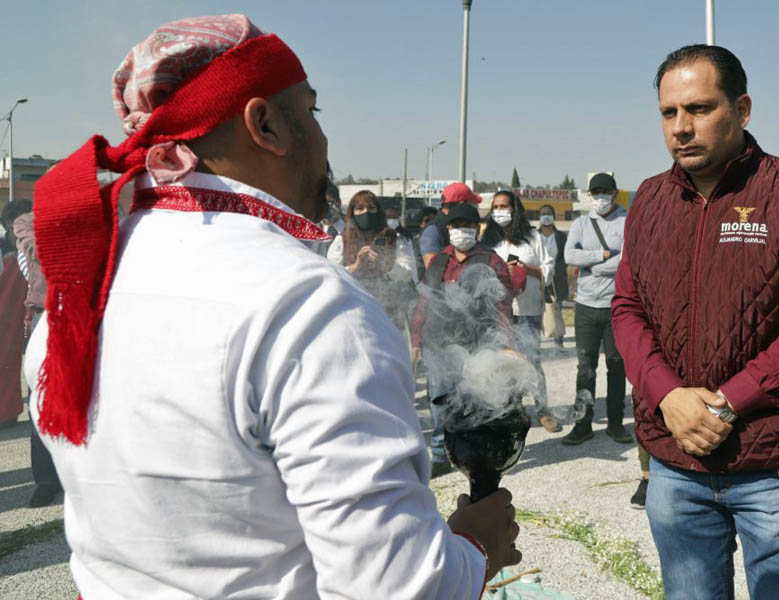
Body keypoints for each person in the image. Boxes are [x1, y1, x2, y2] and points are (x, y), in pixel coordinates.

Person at [25, 15, 520, 599]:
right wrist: (473, 544)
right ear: (264, 123)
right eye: (311, 113)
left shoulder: (88, 280)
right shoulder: (311, 307)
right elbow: (393, 587)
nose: (324, 139)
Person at [612, 44, 779, 599]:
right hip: (675, 465)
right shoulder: (648, 199)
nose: (681, 128)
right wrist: (668, 396)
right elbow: (628, 308)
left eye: (699, 108)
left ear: (742, 110)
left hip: (776, 469)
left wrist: (725, 401)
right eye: (669, 113)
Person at [411, 201, 524, 477]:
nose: (462, 231)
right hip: (439, 343)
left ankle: (472, 453)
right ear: (448, 229)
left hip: (477, 345)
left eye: (468, 226)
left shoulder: (491, 261)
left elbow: (502, 306)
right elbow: (425, 301)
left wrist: (508, 344)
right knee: (440, 401)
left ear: (478, 228)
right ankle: (440, 454)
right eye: (456, 226)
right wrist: (416, 340)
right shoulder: (439, 260)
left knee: (475, 400)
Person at [561, 173, 631, 445]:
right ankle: (583, 423)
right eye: (595, 192)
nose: (600, 197)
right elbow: (569, 256)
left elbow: (627, 260)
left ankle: (616, 423)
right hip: (586, 306)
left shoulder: (626, 222)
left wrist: (591, 266)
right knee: (585, 367)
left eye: (605, 192)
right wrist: (601, 257)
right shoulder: (581, 223)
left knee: (616, 365)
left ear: (614, 193)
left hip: (616, 305)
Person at [482, 191, 558, 433]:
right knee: (504, 361)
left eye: (504, 206)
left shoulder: (533, 237)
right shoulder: (488, 240)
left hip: (527, 307)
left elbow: (549, 267)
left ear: (515, 209)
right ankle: (512, 409)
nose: (499, 211)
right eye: (495, 206)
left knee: (531, 358)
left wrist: (527, 268)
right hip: (499, 312)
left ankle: (543, 409)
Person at [9, 208, 64, 508]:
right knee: (40, 403)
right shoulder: (27, 221)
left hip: (90, 313)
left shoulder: (99, 214)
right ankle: (46, 480)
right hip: (47, 314)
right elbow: (42, 249)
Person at [327, 190, 417, 329]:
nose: (366, 212)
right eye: (360, 208)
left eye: (371, 208)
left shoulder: (394, 239)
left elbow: (407, 273)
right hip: (352, 313)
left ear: (378, 211)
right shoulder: (342, 241)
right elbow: (331, 277)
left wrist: (387, 264)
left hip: (388, 315)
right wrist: (356, 265)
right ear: (352, 212)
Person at [0, 202, 28, 429]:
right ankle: (7, 414)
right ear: (10, 223)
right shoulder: (2, 248)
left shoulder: (33, 243)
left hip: (30, 311)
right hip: (6, 314)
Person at [419, 182, 482, 270]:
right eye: (472, 204)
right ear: (462, 204)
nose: (475, 208)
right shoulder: (433, 231)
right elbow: (432, 270)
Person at [538, 204, 568, 348]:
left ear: (554, 216)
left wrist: (556, 272)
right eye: (543, 213)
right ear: (539, 217)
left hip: (557, 279)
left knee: (557, 309)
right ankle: (536, 340)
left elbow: (565, 258)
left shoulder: (561, 237)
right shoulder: (534, 236)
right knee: (537, 310)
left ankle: (558, 340)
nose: (546, 216)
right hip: (538, 279)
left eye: (549, 213)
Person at [414, 206, 439, 281]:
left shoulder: (442, 237)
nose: (431, 223)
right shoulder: (416, 241)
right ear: (420, 223)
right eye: (427, 221)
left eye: (434, 220)